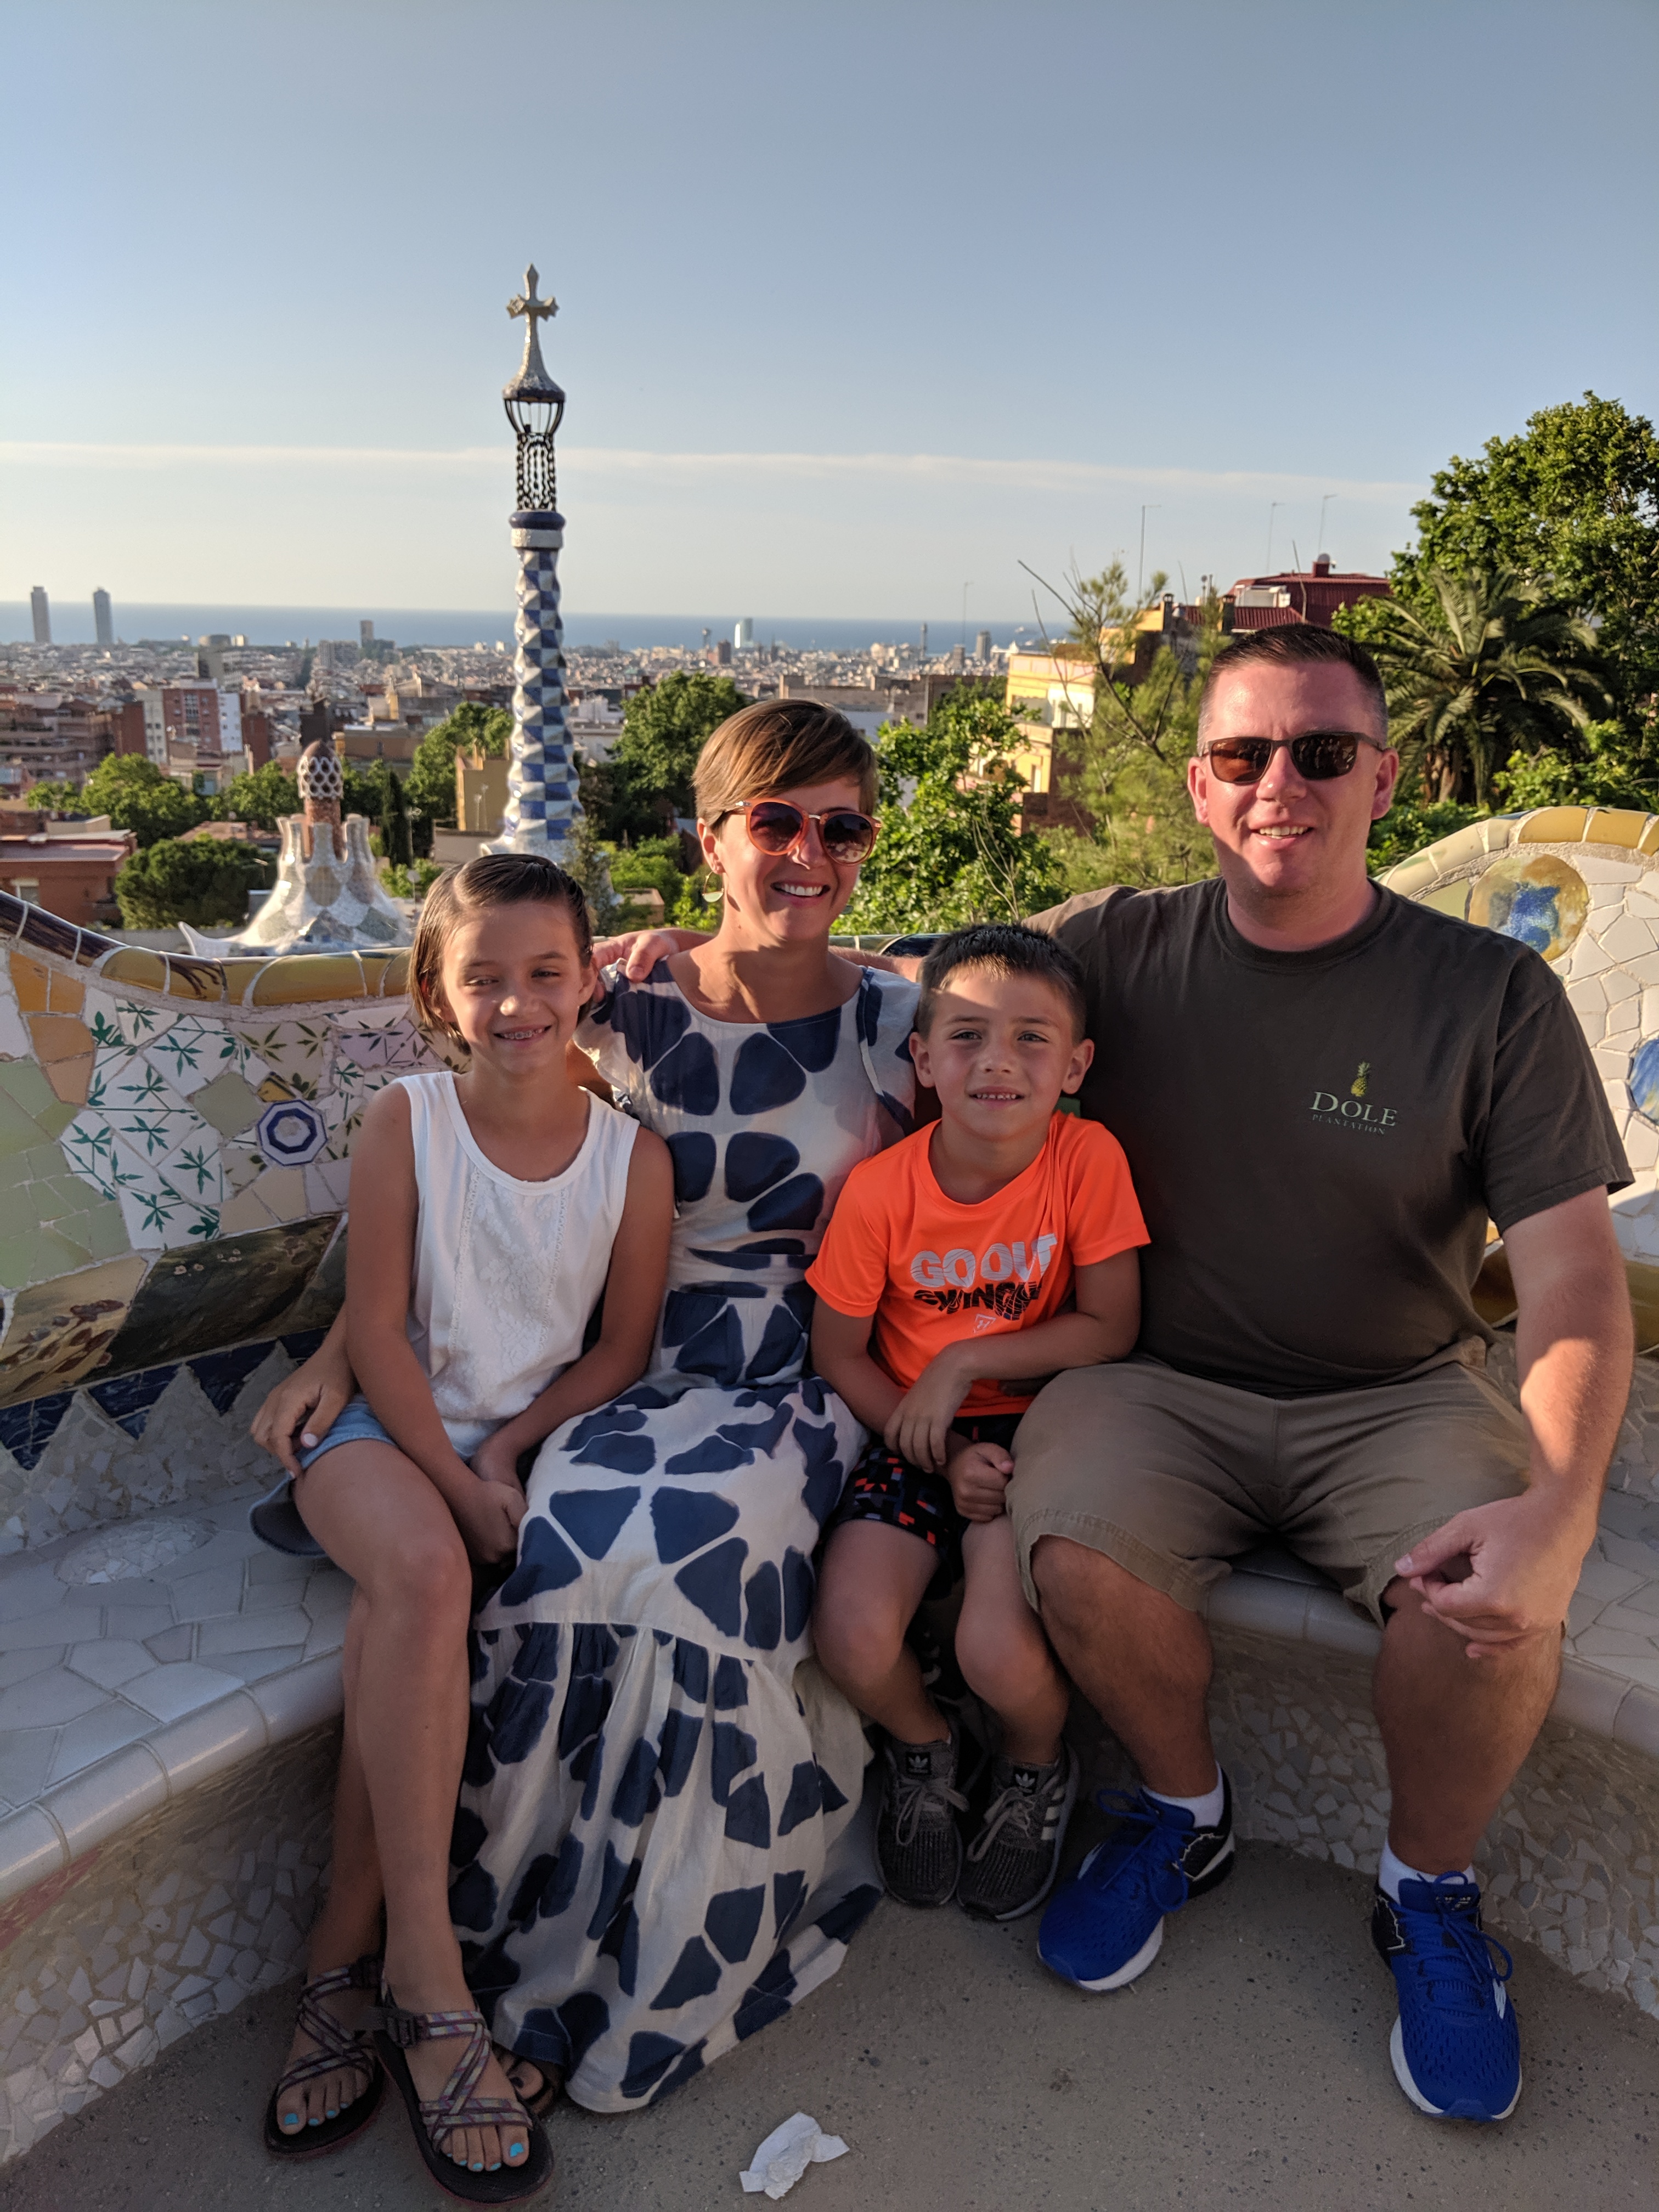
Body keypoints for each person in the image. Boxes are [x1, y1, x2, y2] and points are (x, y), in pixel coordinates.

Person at [1001, 624, 1633, 2124]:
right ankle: (1184, 1810)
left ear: (1384, 780)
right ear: (1200, 786)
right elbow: (924, 984)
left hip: (1398, 1391)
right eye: (1242, 753)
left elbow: (1573, 1282)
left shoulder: (1488, 995)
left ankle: (1427, 1889)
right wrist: (681, 961)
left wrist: (1561, 1513)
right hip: (1160, 1381)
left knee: (1488, 1611)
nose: (1278, 782)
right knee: (1074, 1548)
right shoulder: (1113, 950)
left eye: (1322, 752)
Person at [262, 702, 921, 2114]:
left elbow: (1006, 1137)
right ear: (712, 839)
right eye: (776, 822)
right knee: (557, 1544)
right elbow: (480, 1143)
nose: (810, 852)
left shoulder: (898, 1023)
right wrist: (338, 1352)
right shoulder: (625, 1000)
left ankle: (649, 1961)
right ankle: (509, 1948)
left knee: (690, 1564)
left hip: (799, 1382)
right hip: (626, 1380)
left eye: (843, 827)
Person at [251, 853, 672, 2199]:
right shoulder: (408, 1121)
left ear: (589, 981)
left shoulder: (632, 1160)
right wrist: (452, 1468)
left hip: (497, 1448)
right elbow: (377, 1331)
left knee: (411, 1613)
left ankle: (339, 1957)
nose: (516, 1003)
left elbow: (619, 1350)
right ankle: (431, 1984)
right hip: (377, 1436)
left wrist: (508, 1449)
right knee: (430, 1573)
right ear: (437, 995)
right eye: (482, 977)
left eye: (546, 973)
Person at [807, 923, 1147, 1922]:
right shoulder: (881, 1192)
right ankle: (926, 1746)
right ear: (923, 1058)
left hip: (1038, 1430)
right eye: (966, 1036)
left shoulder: (1085, 1159)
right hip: (915, 1433)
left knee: (996, 1649)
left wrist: (964, 1362)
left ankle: (1036, 1763)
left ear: (1075, 1066)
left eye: (1031, 1038)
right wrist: (942, 1442)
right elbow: (839, 1353)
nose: (998, 1061)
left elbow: (1112, 1326)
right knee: (852, 1632)